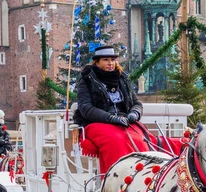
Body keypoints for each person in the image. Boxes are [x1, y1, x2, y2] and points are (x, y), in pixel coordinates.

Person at [74, 45, 182, 173]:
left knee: (140, 140)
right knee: (116, 141)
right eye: (106, 60)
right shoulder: (87, 79)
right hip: (98, 122)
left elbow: (136, 103)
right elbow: (86, 108)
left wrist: (134, 114)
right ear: (97, 63)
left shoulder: (122, 78)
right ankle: (116, 177)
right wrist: (110, 118)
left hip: (124, 121)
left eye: (113, 60)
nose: (110, 63)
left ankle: (143, 175)